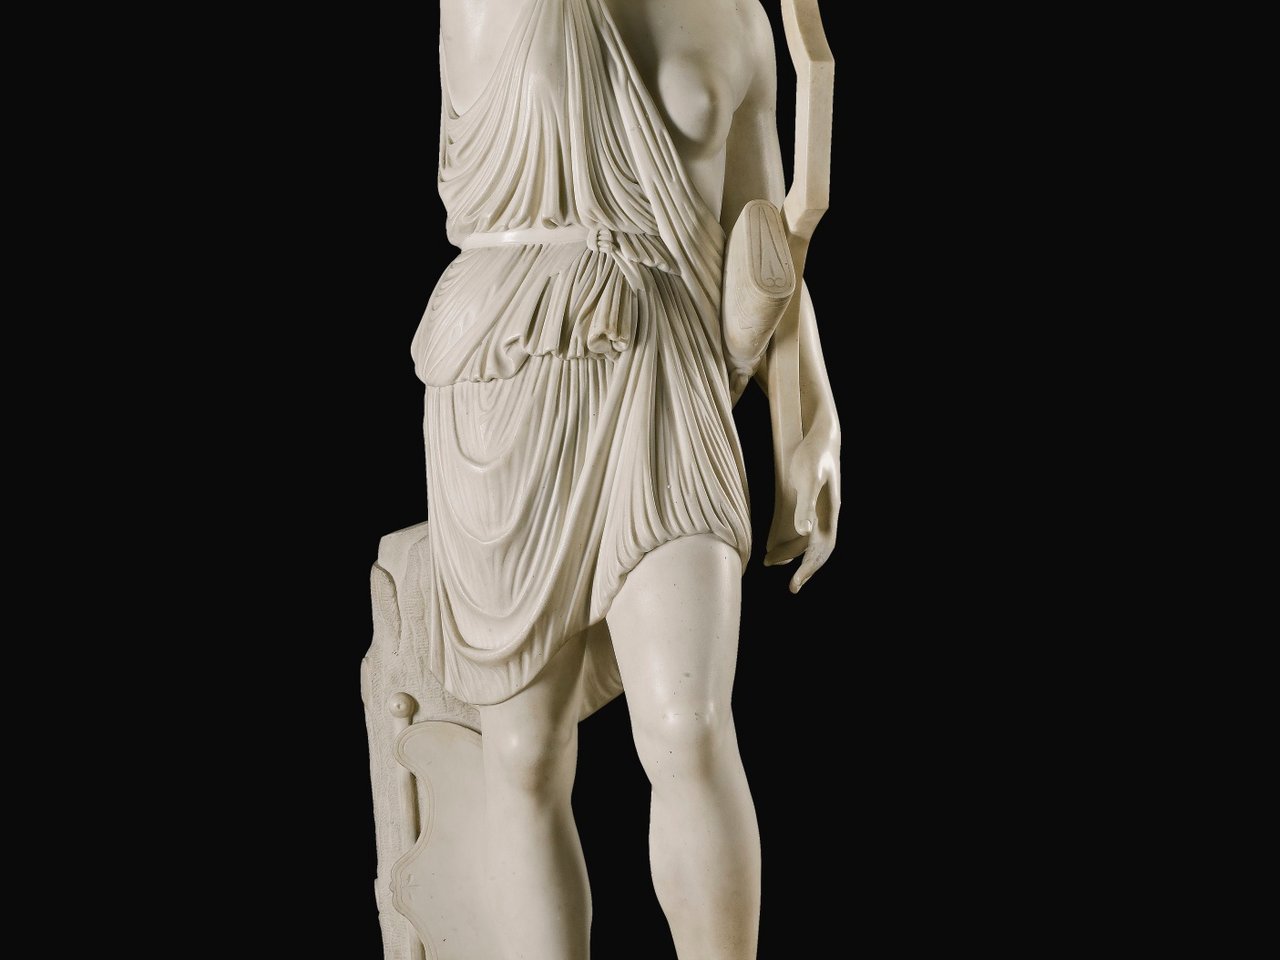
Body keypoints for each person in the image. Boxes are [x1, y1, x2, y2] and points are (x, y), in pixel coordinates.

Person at [406, 1, 840, 957]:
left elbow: (762, 239)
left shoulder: (739, 19)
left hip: (674, 371)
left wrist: (810, 417)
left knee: (690, 724)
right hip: (512, 369)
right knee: (525, 754)